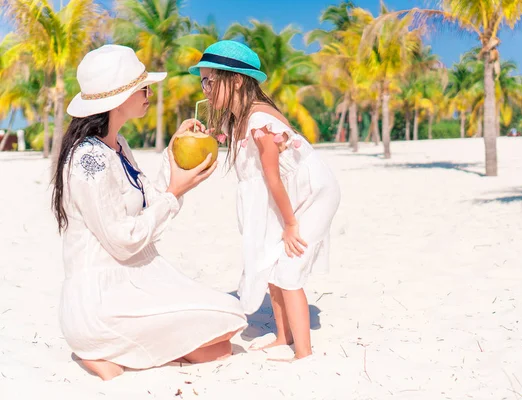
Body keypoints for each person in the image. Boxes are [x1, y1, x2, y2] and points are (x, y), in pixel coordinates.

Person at [51, 44, 247, 381]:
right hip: (101, 303)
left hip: (132, 282)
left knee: (227, 330)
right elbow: (123, 240)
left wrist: (175, 153)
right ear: (119, 97)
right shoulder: (89, 160)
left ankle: (120, 353)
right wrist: (175, 193)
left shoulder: (117, 146)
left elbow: (147, 202)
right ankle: (96, 348)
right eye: (143, 87)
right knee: (225, 321)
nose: (149, 92)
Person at [188, 40, 341, 360]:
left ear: (237, 79)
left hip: (312, 194)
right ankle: (283, 337)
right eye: (202, 81)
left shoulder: (259, 121)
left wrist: (290, 224)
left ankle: (304, 353)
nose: (204, 89)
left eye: (209, 81)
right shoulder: (240, 118)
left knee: (288, 269)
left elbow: (272, 176)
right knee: (271, 263)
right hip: (290, 191)